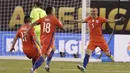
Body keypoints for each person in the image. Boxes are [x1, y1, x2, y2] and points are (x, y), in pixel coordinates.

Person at [73, 8, 124, 72]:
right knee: (88, 52)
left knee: (107, 54)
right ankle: (84, 67)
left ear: (97, 12)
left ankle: (110, 56)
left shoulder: (100, 19)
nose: (93, 13)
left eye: (94, 11)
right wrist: (76, 21)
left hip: (100, 40)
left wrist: (118, 20)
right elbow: (83, 20)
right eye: (92, 11)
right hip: (92, 41)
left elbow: (109, 21)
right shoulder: (89, 18)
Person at [23, 6, 65, 73]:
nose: (54, 11)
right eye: (54, 10)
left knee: (53, 48)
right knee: (43, 56)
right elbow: (63, 29)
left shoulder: (42, 19)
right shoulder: (54, 19)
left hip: (42, 39)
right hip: (48, 41)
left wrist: (26, 33)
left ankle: (47, 65)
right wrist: (61, 25)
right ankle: (33, 69)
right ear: (51, 11)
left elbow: (32, 24)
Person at [30, 2, 56, 72]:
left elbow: (31, 20)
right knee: (51, 49)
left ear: (35, 5)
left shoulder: (33, 11)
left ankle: (36, 68)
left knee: (40, 52)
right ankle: (40, 66)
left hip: (35, 30)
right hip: (43, 31)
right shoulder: (44, 12)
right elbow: (46, 20)